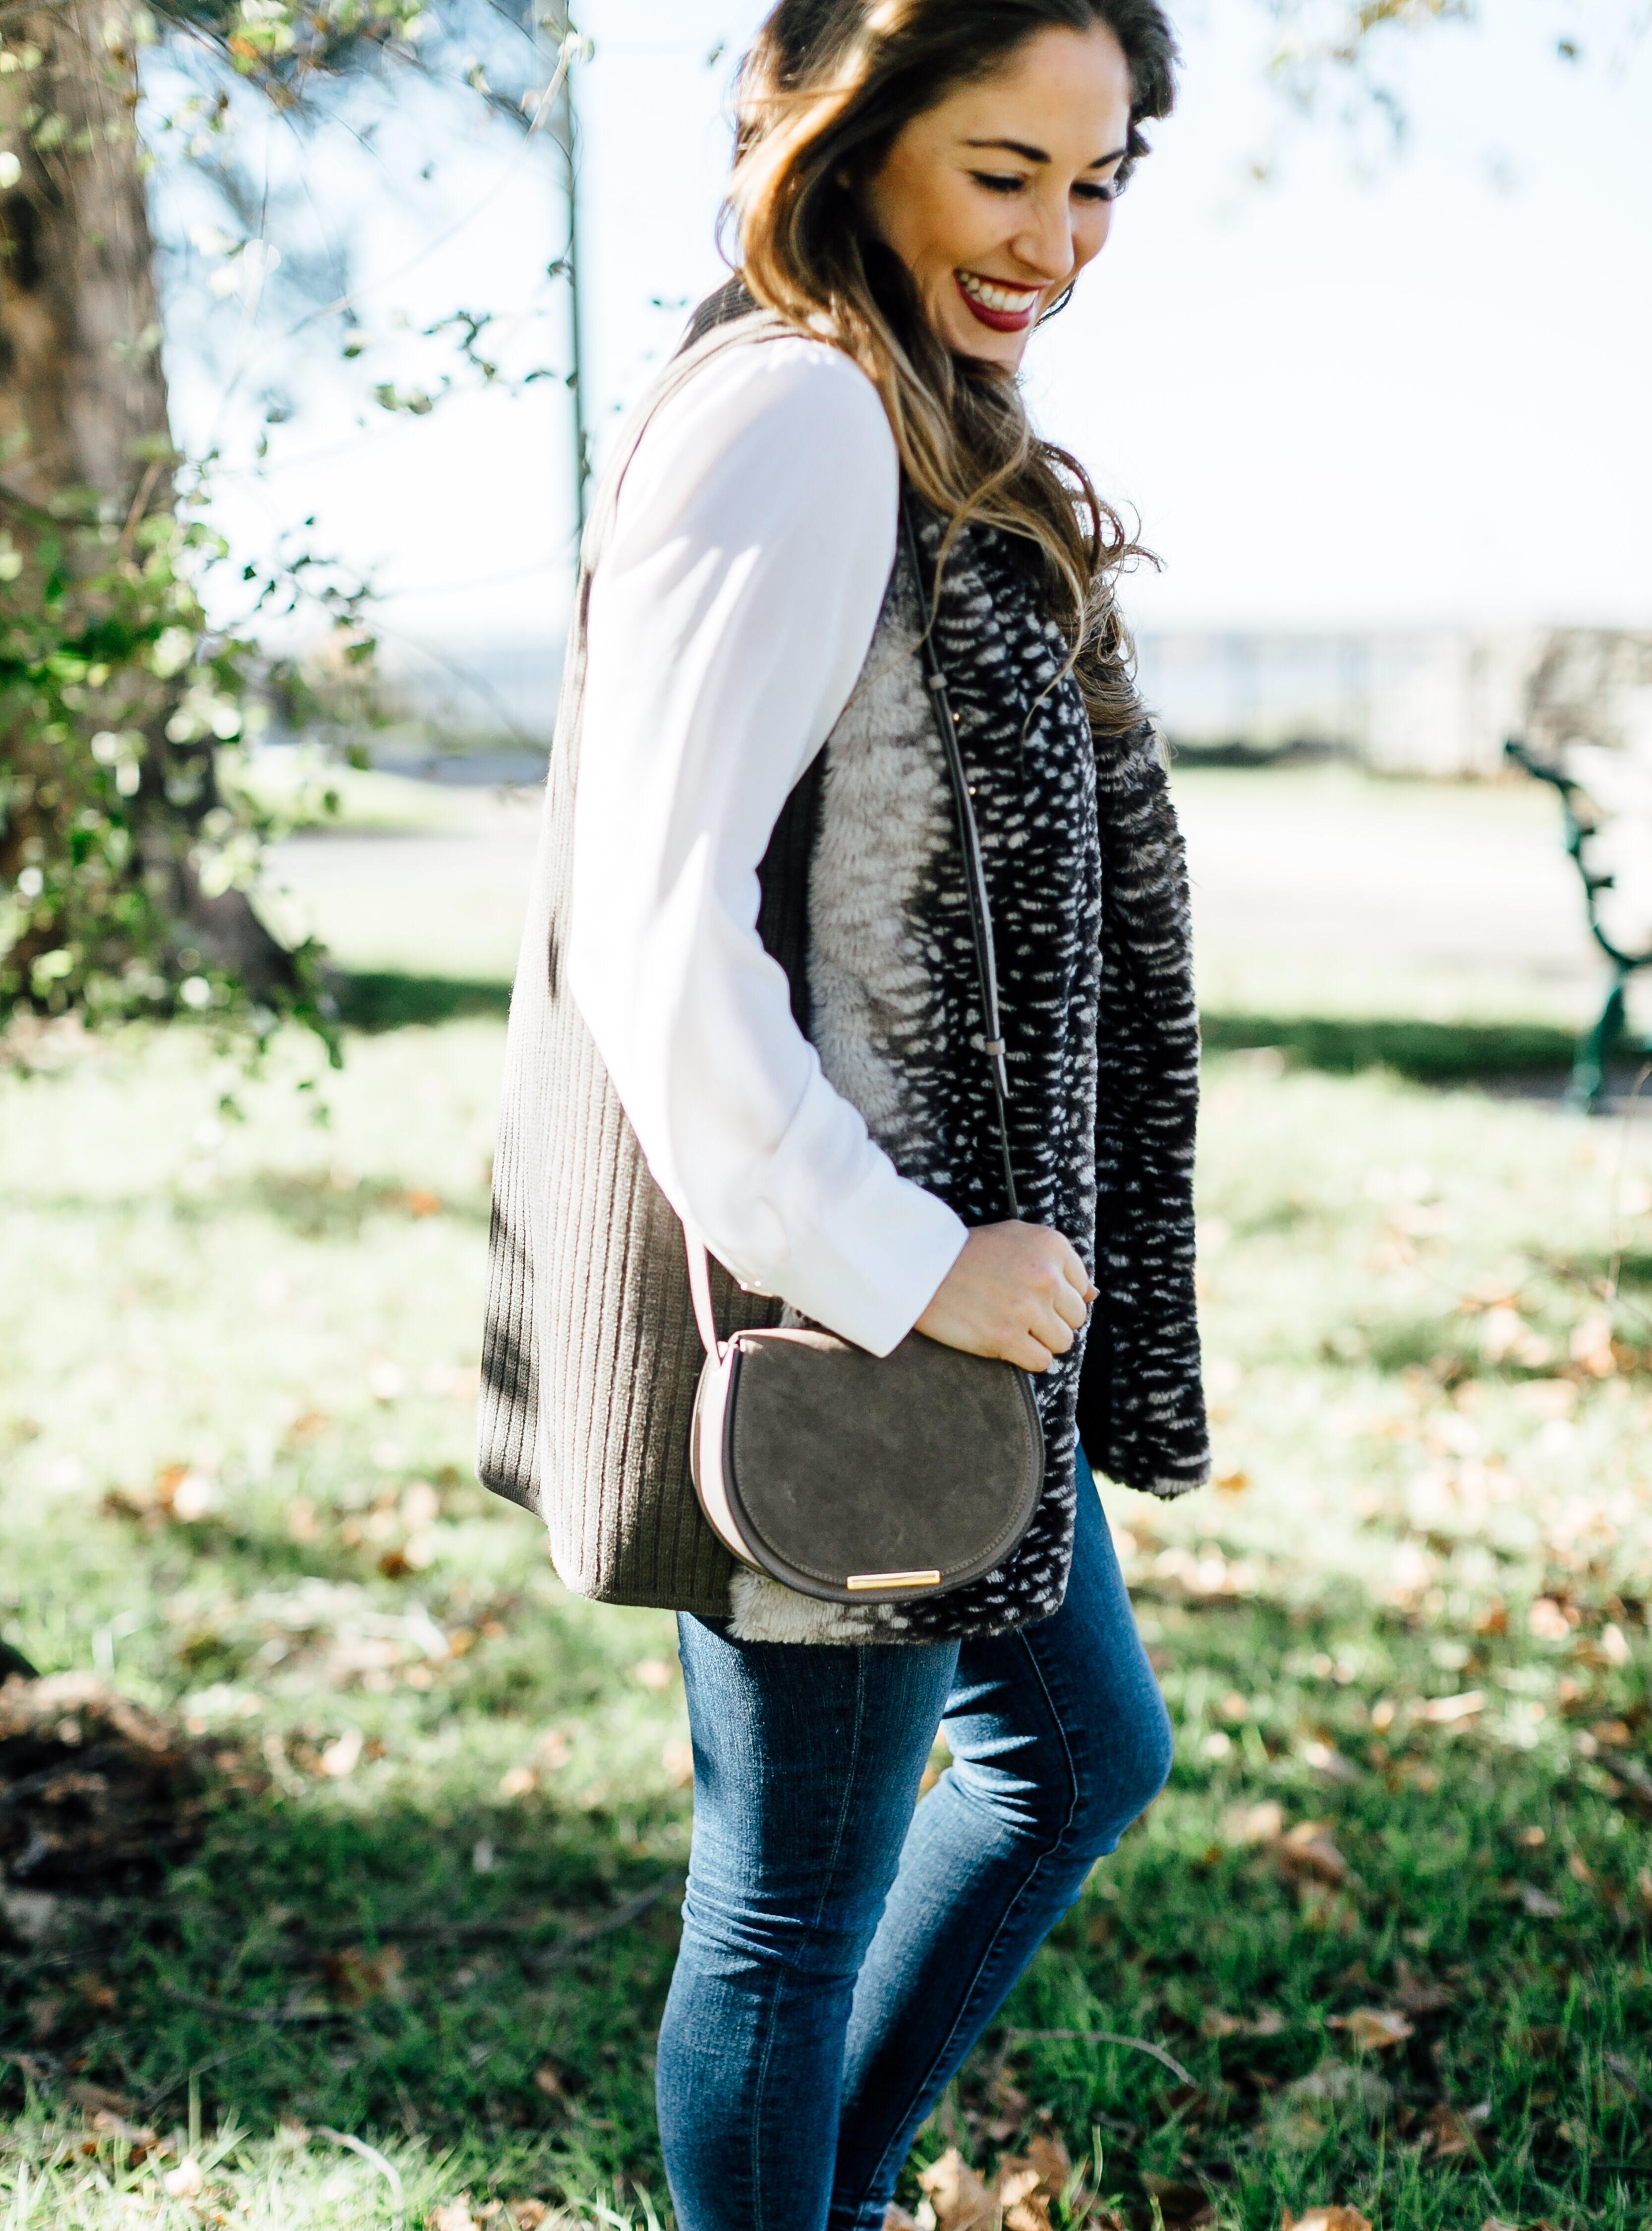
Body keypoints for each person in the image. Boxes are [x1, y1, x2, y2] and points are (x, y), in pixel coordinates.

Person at [478, 2, 1209, 2222]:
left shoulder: (898, 402)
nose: (1060, 240)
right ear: (850, 128)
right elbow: (653, 929)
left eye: (1099, 185)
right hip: (852, 1308)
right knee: (788, 1911)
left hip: (931, 1296)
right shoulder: (798, 410)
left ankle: (830, 2197)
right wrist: (909, 1261)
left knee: (1077, 1753)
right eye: (1006, 173)